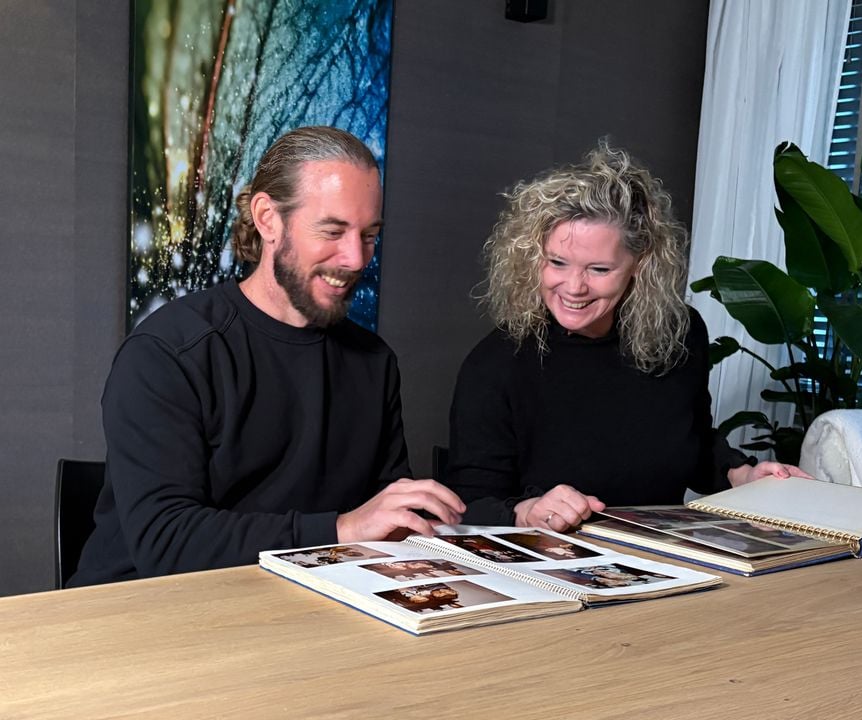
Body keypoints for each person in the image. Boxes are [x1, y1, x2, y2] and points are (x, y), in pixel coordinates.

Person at [70, 127, 464, 586]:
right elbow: (167, 542)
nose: (356, 258)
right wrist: (341, 530)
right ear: (268, 218)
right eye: (333, 231)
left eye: (370, 235)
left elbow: (385, 516)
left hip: (298, 599)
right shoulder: (169, 353)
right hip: (145, 606)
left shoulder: (374, 362)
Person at [446, 141, 808, 533]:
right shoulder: (495, 363)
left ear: (640, 264)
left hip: (664, 552)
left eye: (599, 269)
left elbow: (693, 445)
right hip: (550, 559)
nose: (574, 287)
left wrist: (743, 476)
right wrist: (527, 510)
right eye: (557, 262)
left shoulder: (679, 333)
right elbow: (470, 507)